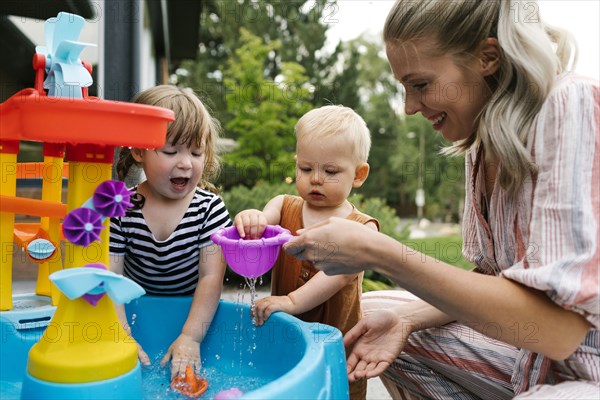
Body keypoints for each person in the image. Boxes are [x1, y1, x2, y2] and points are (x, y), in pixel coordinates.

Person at [283, 1, 599, 398]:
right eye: (404, 88)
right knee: (376, 317)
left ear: (488, 57)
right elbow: (490, 278)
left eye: (420, 85)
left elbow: (558, 329)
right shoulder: (482, 143)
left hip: (583, 369)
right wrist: (407, 319)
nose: (410, 107)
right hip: (525, 358)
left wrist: (379, 252)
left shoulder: (570, 103)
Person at [234, 105, 380, 400]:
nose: (316, 178)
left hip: (335, 349)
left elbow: (335, 275)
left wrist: (291, 301)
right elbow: (262, 223)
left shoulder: (363, 229)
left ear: (358, 174)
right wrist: (251, 218)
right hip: (286, 338)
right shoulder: (283, 205)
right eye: (305, 168)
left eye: (330, 171)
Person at [109, 85, 231, 379]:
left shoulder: (209, 209)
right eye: (170, 151)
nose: (185, 163)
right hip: (139, 317)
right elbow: (110, 278)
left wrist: (191, 337)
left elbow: (211, 278)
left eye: (196, 152)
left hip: (193, 317)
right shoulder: (122, 208)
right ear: (139, 150)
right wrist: (120, 336)